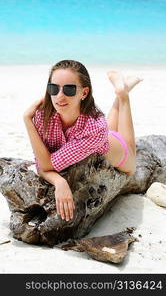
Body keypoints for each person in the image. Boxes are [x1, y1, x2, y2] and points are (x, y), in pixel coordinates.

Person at [23, 60, 142, 222]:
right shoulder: (43, 117)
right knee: (107, 128)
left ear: (84, 93)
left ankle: (123, 94)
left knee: (131, 165)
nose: (59, 96)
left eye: (69, 89)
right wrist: (59, 181)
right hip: (98, 136)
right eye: (53, 88)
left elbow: (46, 165)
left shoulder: (95, 129)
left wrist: (27, 121)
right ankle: (120, 90)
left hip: (116, 150)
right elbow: (41, 163)